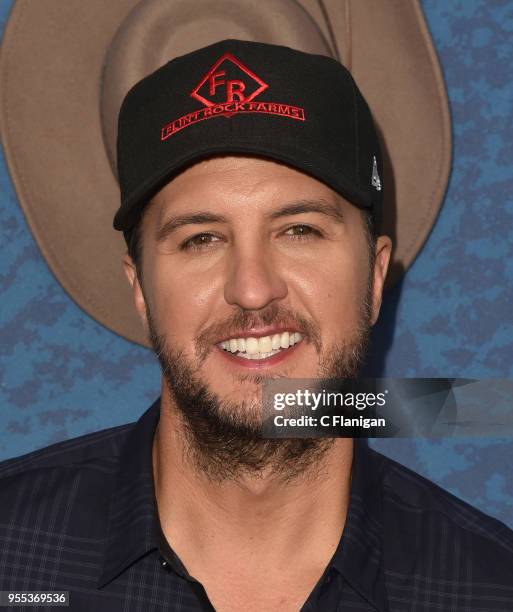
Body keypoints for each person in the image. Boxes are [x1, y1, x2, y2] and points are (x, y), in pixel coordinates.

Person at [1, 39, 512, 612]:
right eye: (201, 239)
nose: (251, 288)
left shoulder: (490, 589)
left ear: (372, 277)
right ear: (140, 289)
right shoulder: (10, 556)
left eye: (299, 231)